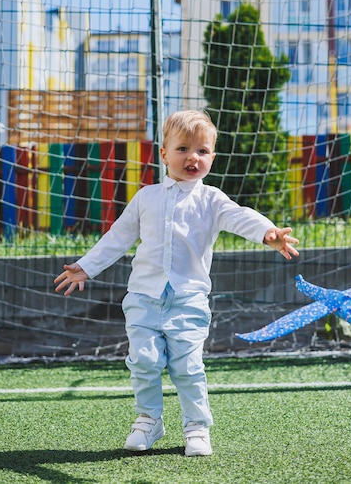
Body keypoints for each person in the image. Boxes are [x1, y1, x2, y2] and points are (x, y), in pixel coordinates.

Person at [54, 109, 299, 457]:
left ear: (212, 157)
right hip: (143, 297)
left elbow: (241, 216)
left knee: (187, 366)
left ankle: (197, 426)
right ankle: (149, 420)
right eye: (183, 148)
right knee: (143, 361)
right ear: (164, 153)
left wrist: (268, 232)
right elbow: (118, 237)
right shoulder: (146, 197)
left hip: (188, 300)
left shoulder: (212, 199)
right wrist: (86, 267)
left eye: (202, 151)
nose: (192, 158)